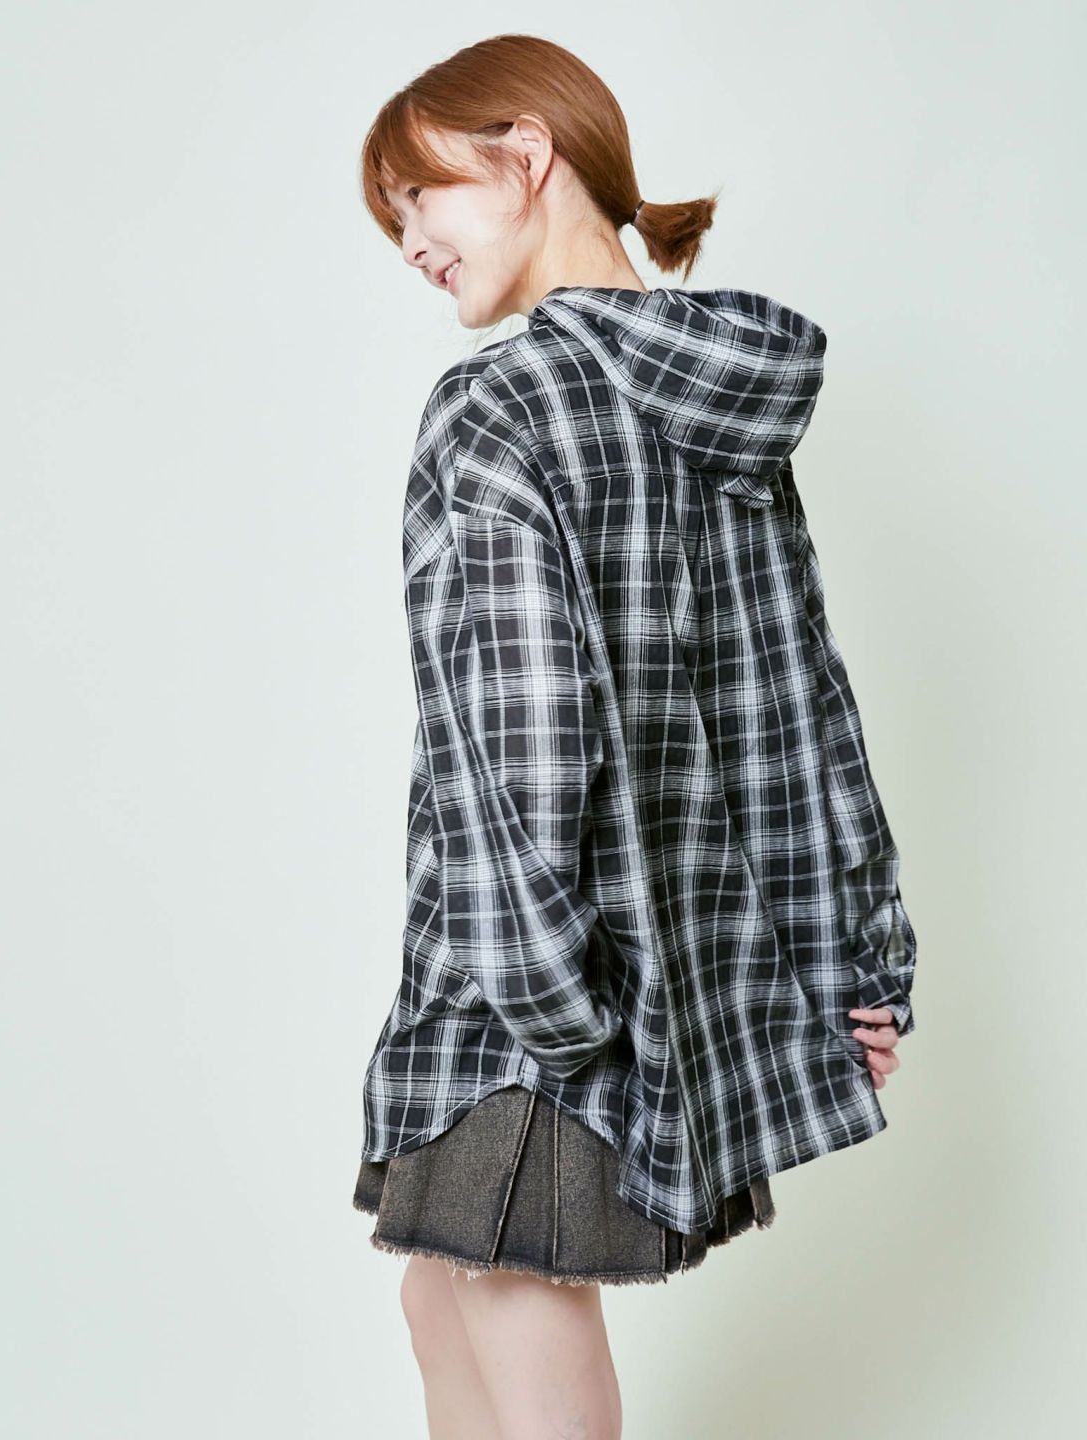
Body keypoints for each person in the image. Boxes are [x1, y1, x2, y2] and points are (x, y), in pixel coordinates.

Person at [350, 33, 917, 1440]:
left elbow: (518, 744)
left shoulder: (498, 407)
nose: (408, 241)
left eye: (421, 194)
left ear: (525, 153)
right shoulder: (718, 404)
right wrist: (858, 957)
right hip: (640, 960)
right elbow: (801, 700)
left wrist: (549, 1003)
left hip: (535, 970)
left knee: (505, 1292)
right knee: (439, 1295)